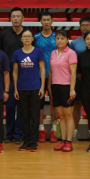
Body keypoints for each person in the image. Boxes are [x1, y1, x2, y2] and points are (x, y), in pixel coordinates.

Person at [69, 16, 90, 142]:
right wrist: (80, 77)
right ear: (79, 27)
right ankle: (74, 132)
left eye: (87, 25)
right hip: (79, 79)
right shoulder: (74, 43)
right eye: (83, 25)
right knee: (77, 105)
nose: (85, 27)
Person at [12, 30, 45, 152]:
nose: (26, 38)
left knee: (35, 116)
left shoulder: (38, 51)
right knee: (24, 116)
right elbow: (15, 72)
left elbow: (42, 70)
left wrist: (42, 87)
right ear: (21, 39)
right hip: (21, 88)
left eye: (29, 36)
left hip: (35, 88)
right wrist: (15, 88)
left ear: (32, 38)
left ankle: (34, 141)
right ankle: (25, 141)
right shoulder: (17, 53)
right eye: (24, 36)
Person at [48, 30, 78, 152]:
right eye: (57, 38)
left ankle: (69, 142)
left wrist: (72, 89)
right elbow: (51, 71)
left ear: (67, 40)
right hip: (56, 87)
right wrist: (50, 87)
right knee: (61, 116)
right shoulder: (53, 53)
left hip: (66, 87)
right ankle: (63, 141)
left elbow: (73, 73)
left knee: (68, 115)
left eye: (62, 38)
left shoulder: (71, 53)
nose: (59, 41)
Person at [0, 7, 25, 144]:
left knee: (21, 108)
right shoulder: (4, 35)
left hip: (24, 75)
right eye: (13, 16)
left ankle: (19, 134)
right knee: (9, 107)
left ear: (23, 18)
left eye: (18, 16)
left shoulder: (28, 34)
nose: (16, 18)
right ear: (10, 18)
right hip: (8, 76)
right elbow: (1, 54)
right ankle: (9, 134)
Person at [34, 12, 57, 143]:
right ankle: (41, 130)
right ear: (41, 22)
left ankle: (54, 130)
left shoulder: (57, 37)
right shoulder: (36, 38)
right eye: (44, 20)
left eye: (48, 19)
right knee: (39, 104)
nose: (46, 22)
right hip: (39, 75)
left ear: (52, 21)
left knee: (54, 103)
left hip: (55, 75)